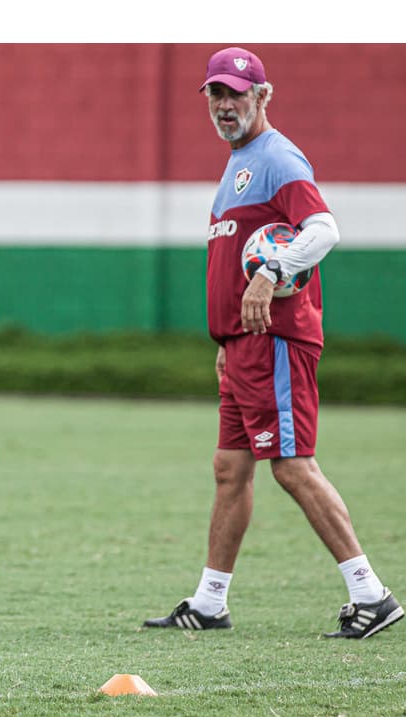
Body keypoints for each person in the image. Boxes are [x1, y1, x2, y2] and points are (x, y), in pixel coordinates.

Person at [144, 47, 401, 638]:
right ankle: (210, 603)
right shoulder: (240, 163)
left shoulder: (278, 158)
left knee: (291, 464)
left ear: (263, 96)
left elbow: (324, 230)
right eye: (216, 94)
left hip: (277, 341)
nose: (225, 104)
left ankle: (373, 595)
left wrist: (270, 272)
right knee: (230, 468)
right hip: (244, 346)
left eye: (237, 93)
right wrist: (227, 340)